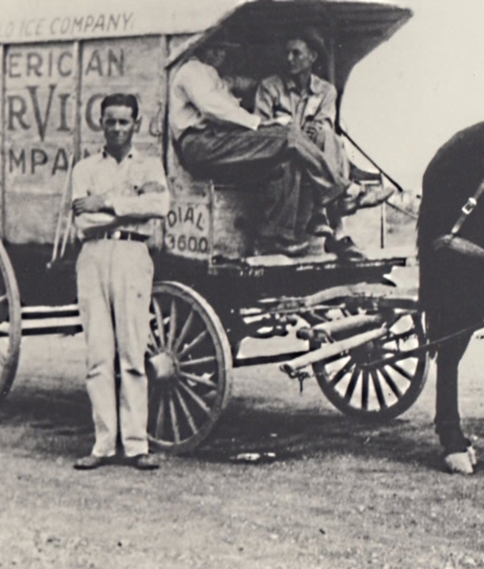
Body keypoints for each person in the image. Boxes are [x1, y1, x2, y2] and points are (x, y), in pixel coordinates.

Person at [169, 40, 390, 259]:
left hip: (218, 141)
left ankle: (282, 235)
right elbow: (213, 108)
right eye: (215, 48)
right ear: (201, 49)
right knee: (289, 136)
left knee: (305, 144)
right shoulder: (192, 71)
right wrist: (257, 123)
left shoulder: (212, 75)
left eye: (223, 50)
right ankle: (345, 193)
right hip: (201, 144)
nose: (220, 55)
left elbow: (235, 86)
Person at [70, 93, 170, 471]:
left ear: (136, 124)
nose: (116, 128)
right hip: (93, 256)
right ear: (101, 123)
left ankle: (136, 444)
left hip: (132, 256)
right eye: (109, 121)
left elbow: (159, 207)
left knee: (132, 352)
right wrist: (129, 206)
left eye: (123, 122)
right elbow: (83, 221)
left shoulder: (148, 166)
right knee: (98, 353)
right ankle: (103, 444)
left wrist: (107, 204)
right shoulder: (84, 169)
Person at [254, 28, 394, 259]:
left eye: (296, 53)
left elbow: (323, 124)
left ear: (313, 57)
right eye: (287, 53)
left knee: (329, 137)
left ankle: (324, 214)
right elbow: (261, 128)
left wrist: (306, 133)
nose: (290, 59)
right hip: (275, 155)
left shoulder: (326, 90)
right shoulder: (270, 87)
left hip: (313, 156)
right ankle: (339, 214)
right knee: (313, 144)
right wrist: (294, 131)